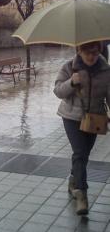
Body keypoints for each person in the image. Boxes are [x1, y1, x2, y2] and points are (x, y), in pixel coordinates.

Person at [53, 41, 110, 215]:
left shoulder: (106, 70)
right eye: (87, 53)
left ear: (99, 51)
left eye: (94, 53)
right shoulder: (69, 67)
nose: (91, 57)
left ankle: (73, 179)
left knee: (83, 154)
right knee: (79, 152)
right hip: (71, 117)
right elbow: (57, 91)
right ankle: (81, 193)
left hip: (95, 118)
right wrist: (71, 82)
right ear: (80, 51)